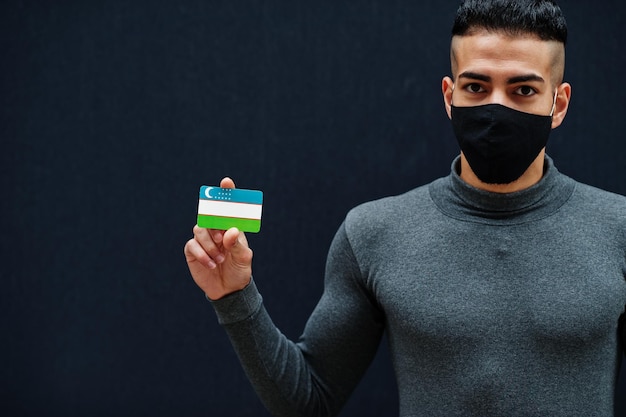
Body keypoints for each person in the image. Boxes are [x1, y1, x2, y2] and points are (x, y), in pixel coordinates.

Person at [184, 0, 626, 415]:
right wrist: (234, 295)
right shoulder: (377, 233)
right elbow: (308, 399)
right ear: (449, 95)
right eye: (476, 86)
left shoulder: (618, 230)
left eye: (523, 89)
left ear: (559, 103)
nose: (496, 107)